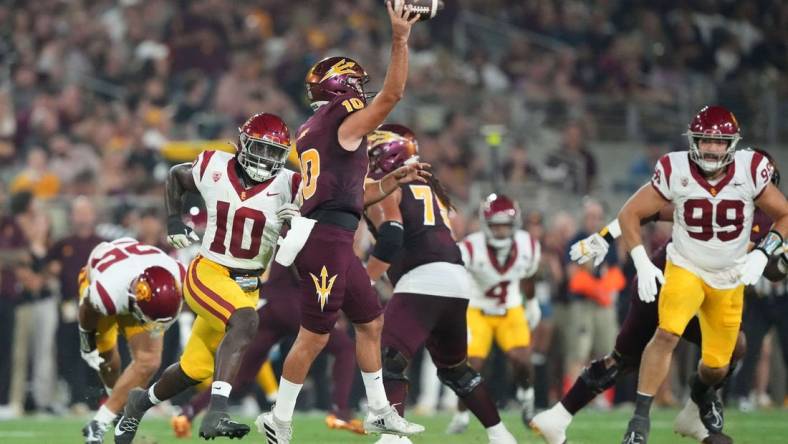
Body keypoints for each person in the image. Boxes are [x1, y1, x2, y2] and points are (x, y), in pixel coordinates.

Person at [257, 3, 427, 443]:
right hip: (326, 241)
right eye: (356, 86)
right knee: (314, 337)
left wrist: (390, 182)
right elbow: (392, 97)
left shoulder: (317, 127)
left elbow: (347, 197)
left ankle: (378, 412)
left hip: (333, 233)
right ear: (344, 87)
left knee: (370, 323)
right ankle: (278, 420)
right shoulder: (340, 123)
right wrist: (400, 38)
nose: (363, 94)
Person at [114, 112, 300, 442]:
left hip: (247, 285)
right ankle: (216, 413)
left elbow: (328, 207)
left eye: (275, 152)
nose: (268, 158)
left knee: (194, 369)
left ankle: (138, 404)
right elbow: (176, 176)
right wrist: (174, 221)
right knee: (245, 323)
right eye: (262, 149)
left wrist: (299, 223)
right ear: (243, 144)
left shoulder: (289, 185)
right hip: (209, 271)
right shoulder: (215, 166)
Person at [613, 105, 788, 443]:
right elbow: (630, 213)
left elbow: (784, 215)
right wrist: (642, 261)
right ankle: (638, 422)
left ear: (732, 144)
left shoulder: (751, 169)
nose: (711, 148)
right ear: (693, 141)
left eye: (719, 141)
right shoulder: (674, 167)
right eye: (705, 139)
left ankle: (701, 394)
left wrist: (764, 252)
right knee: (666, 334)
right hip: (686, 265)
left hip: (728, 276)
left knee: (717, 366)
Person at [364, 127, 517, 444]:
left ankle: (394, 438)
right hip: (456, 281)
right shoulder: (428, 187)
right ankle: (501, 436)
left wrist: (364, 280)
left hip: (423, 279)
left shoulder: (392, 186)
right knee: (455, 369)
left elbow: (392, 235)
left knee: (388, 356)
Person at [170, 261, 363, 438]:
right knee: (344, 348)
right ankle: (340, 411)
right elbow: (304, 270)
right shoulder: (306, 227)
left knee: (239, 374)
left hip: (269, 305)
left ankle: (188, 413)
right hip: (294, 304)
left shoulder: (285, 228)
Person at [447, 193, 541, 435]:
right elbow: (454, 276)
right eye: (496, 225)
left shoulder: (528, 245)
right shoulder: (469, 247)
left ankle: (527, 397)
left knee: (522, 359)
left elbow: (528, 276)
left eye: (505, 225)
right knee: (471, 365)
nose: (500, 230)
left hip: (510, 309)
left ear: (514, 224)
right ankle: (460, 415)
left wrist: (531, 303)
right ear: (486, 224)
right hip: (477, 310)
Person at [78, 238, 184, 443]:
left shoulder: (179, 275)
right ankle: (116, 414)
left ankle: (100, 422)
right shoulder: (106, 294)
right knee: (108, 359)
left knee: (149, 361)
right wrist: (86, 343)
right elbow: (87, 309)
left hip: (143, 288)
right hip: (96, 281)